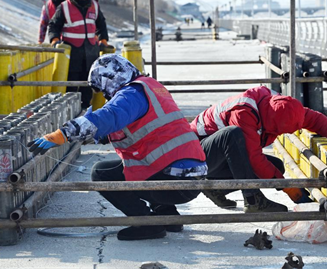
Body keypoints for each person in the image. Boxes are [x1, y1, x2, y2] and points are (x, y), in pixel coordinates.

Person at [28, 55, 207, 241]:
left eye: (102, 88)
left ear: (110, 77)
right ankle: (168, 217)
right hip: (192, 177)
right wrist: (99, 135)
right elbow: (142, 127)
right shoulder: (150, 87)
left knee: (101, 173)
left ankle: (146, 223)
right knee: (137, 165)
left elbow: (109, 116)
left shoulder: (130, 94)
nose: (105, 94)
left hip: (170, 181)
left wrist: (63, 134)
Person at [191, 86, 327, 212]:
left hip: (218, 156)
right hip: (197, 155)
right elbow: (254, 159)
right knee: (234, 136)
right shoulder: (244, 113)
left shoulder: (281, 106)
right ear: (272, 125)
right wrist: (288, 188)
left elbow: (316, 120)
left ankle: (216, 188)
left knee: (276, 167)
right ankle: (253, 200)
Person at [48, 0, 110, 109]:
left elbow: (101, 24)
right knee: (71, 84)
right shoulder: (64, 7)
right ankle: (69, 110)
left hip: (91, 53)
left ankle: (86, 107)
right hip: (72, 54)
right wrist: (54, 40)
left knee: (88, 83)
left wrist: (103, 39)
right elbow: (53, 25)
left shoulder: (95, 6)